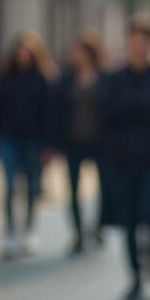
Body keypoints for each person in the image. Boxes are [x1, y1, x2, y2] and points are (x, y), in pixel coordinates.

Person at [99, 14, 150, 300]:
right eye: (134, 41)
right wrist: (143, 106)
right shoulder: (114, 78)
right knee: (129, 222)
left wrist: (132, 107)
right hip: (121, 160)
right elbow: (107, 110)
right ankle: (135, 275)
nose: (138, 47)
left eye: (144, 42)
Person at [0, 32, 55, 259]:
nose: (23, 55)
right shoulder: (5, 78)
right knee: (9, 188)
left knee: (31, 187)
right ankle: (9, 234)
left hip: (34, 140)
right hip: (8, 138)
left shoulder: (42, 79)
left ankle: (29, 231)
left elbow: (49, 114)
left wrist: (48, 145)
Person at [52, 32, 108, 255]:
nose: (76, 56)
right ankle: (77, 232)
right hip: (73, 140)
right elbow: (56, 111)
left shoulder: (104, 78)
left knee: (104, 187)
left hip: (99, 141)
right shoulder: (66, 79)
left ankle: (98, 227)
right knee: (72, 188)